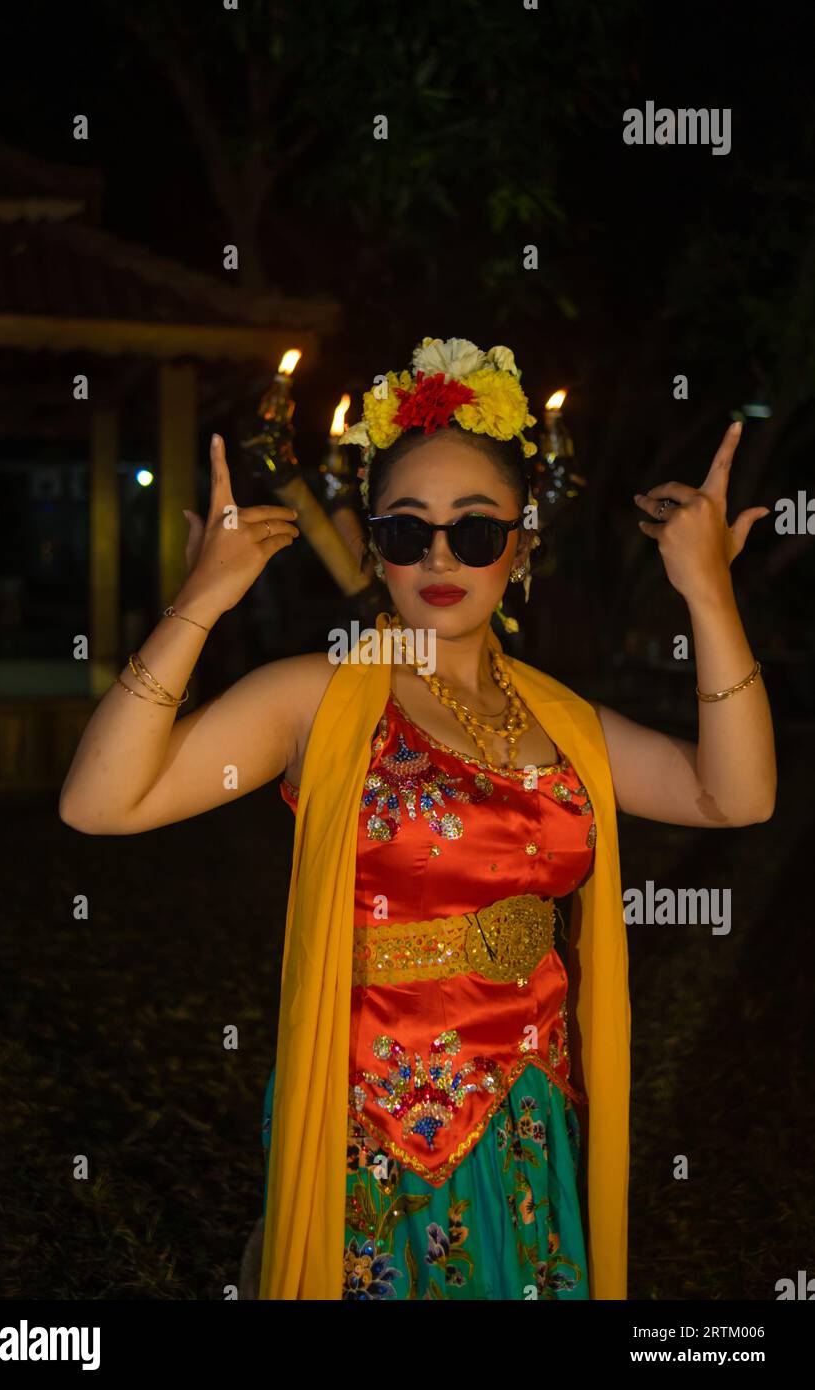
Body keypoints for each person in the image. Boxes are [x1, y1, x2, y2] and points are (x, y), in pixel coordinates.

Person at [60, 335, 776, 1302]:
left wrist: (709, 595)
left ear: (519, 549)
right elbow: (100, 803)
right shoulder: (321, 697)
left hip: (531, 1121)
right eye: (407, 531)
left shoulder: (560, 721)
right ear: (375, 552)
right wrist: (203, 598)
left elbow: (735, 796)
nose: (441, 555)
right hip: (376, 1131)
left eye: (476, 532)